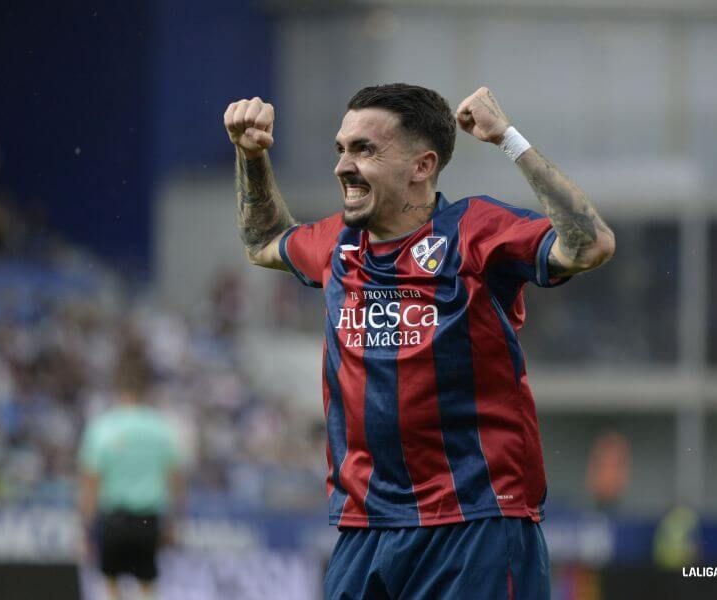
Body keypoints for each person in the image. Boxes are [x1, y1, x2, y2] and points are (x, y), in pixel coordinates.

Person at [223, 83, 615, 599]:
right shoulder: (337, 245)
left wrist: (509, 140)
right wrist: (250, 156)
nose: (343, 165)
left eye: (364, 150)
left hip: (475, 524)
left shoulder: (475, 231)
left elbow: (591, 245)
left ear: (422, 166)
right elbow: (263, 240)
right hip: (364, 531)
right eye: (341, 149)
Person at [77, 334, 184, 600]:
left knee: (111, 585)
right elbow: (176, 482)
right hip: (148, 519)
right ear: (146, 390)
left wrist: (85, 529)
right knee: (147, 585)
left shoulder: (102, 428)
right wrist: (173, 523)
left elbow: (90, 483)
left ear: (118, 388)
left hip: (113, 519)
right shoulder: (161, 428)